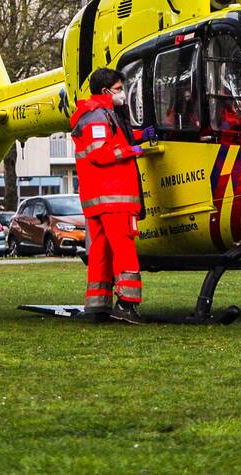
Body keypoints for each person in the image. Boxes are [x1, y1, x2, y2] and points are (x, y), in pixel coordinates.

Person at [71, 68, 156, 324]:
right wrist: (134, 150)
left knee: (100, 250)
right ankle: (128, 304)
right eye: (119, 89)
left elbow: (113, 138)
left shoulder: (99, 113)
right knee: (123, 248)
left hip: (97, 199)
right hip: (114, 196)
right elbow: (101, 152)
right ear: (106, 90)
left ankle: (97, 305)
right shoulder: (98, 114)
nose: (122, 93)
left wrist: (140, 136)